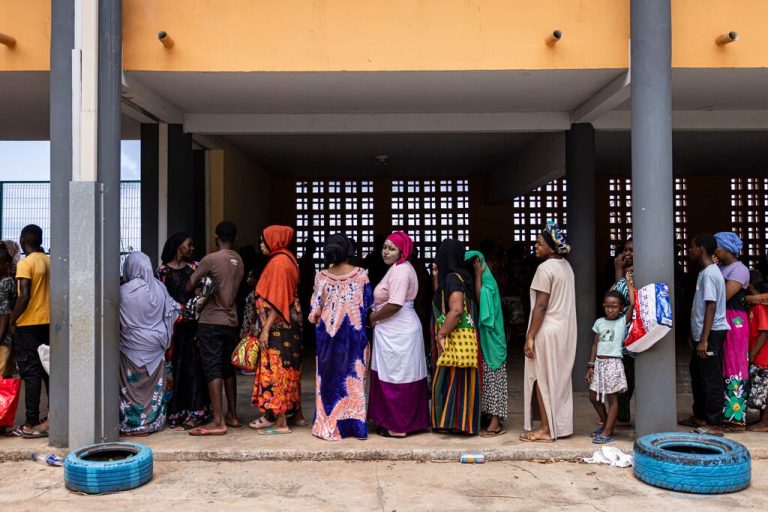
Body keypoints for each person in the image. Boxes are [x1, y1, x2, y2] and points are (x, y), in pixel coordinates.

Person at [308, 234, 372, 441]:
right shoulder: (361, 274)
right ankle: (355, 426)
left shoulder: (321, 277)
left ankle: (327, 425)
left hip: (328, 337)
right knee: (353, 380)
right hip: (355, 337)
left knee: (328, 380)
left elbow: (314, 312)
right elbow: (368, 303)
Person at [185, 221, 244, 436]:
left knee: (212, 368)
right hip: (231, 321)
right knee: (229, 369)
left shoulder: (210, 259)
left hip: (211, 320)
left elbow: (189, 285)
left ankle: (218, 421)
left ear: (216, 236)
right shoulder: (239, 259)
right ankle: (233, 415)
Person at [368, 231, 429, 438]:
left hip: (398, 330)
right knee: (398, 375)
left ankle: (398, 425)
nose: (386, 252)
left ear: (403, 251)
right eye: (385, 247)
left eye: (392, 248)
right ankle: (404, 421)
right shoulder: (398, 268)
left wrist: (374, 317)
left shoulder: (401, 270)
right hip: (395, 330)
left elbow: (395, 304)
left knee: (398, 378)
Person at [520, 220, 576, 443]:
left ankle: (545, 428)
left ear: (552, 247)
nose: (536, 245)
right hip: (564, 330)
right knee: (560, 380)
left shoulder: (544, 269)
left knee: (541, 379)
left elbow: (541, 306)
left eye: (540, 242)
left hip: (547, 331)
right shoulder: (566, 267)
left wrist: (531, 336)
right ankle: (561, 426)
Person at [249, 225, 305, 434]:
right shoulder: (286, 259)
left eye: (263, 241)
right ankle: (295, 416)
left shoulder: (279, 263)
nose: (261, 245)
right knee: (290, 370)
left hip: (279, 328)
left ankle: (280, 421)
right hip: (288, 327)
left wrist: (265, 329)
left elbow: (278, 301)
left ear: (274, 241)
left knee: (277, 370)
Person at [119, 252, 180, 435]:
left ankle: (132, 424)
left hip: (130, 346)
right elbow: (172, 313)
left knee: (131, 386)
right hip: (156, 345)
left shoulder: (123, 291)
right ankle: (153, 422)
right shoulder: (160, 288)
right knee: (154, 387)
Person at [156, 232, 211, 430]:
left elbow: (205, 294)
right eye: (189, 245)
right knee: (176, 370)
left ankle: (197, 411)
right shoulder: (162, 272)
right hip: (174, 329)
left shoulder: (195, 268)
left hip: (194, 326)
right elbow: (160, 301)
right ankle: (177, 412)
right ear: (179, 246)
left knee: (195, 369)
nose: (192, 248)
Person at [430, 239, 480, 435]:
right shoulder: (461, 277)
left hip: (452, 338)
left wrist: (442, 333)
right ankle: (463, 422)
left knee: (450, 378)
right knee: (461, 378)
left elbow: (456, 309)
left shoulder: (452, 278)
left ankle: (451, 422)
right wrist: (436, 279)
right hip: (464, 340)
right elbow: (444, 300)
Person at [683, 233, 729, 436]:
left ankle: (715, 422)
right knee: (697, 374)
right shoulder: (706, 271)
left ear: (700, 248)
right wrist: (695, 334)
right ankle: (700, 415)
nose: (689, 250)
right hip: (702, 333)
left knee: (711, 378)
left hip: (711, 334)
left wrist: (703, 339)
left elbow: (710, 306)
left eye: (691, 246)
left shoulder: (710, 273)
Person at [8, 225, 50, 439]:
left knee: (30, 374)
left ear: (23, 240)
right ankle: (53, 416)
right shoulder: (50, 261)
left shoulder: (25, 263)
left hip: (28, 325)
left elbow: (23, 296)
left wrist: (12, 321)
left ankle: (30, 421)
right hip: (49, 325)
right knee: (48, 372)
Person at [586, 278, 634, 445]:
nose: (610, 309)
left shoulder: (622, 321)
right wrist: (590, 365)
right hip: (598, 364)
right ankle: (607, 423)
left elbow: (633, 303)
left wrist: (628, 283)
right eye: (607, 306)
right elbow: (595, 344)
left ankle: (607, 430)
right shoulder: (599, 322)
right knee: (593, 396)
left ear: (621, 308)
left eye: (614, 306)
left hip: (613, 363)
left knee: (612, 398)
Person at [465, 249, 508, 437]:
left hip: (493, 342)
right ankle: (489, 416)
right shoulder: (486, 281)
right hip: (486, 340)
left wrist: (478, 275)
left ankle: (496, 421)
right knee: (487, 380)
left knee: (494, 378)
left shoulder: (488, 283)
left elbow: (481, 300)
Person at [714, 232, 750, 429]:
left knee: (735, 365)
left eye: (716, 246)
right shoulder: (720, 267)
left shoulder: (740, 269)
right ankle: (721, 412)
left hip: (734, 320)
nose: (714, 250)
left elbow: (724, 295)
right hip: (721, 319)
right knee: (722, 365)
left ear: (726, 249)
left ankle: (735, 417)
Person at [612, 237, 635, 427]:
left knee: (629, 376)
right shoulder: (627, 275)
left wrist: (619, 271)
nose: (627, 254)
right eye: (625, 250)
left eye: (632, 250)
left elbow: (615, 295)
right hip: (625, 335)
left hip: (635, 334)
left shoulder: (636, 275)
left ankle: (621, 415)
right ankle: (621, 415)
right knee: (625, 376)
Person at [746, 270, 768, 432]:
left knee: (765, 390)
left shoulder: (759, 307)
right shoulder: (755, 305)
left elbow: (764, 331)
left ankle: (765, 423)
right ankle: (762, 420)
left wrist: (753, 353)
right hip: (760, 354)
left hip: (763, 356)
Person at [0, 243, 17, 379]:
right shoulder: (8, 281)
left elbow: (5, 315)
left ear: (5, 265)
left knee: (2, 377)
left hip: (3, 340)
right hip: (6, 339)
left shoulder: (5, 283)